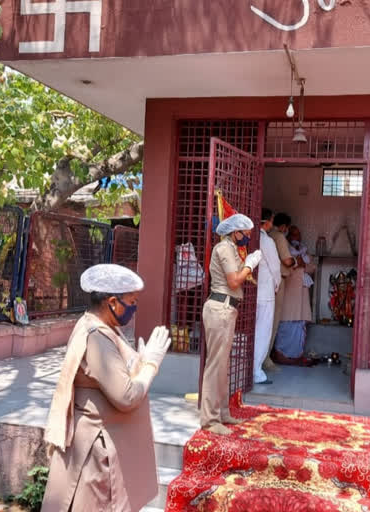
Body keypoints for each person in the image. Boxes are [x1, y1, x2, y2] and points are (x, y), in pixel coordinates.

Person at [42, 264, 172, 512]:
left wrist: (139, 361)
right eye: (131, 302)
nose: (133, 309)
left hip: (101, 437)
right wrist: (151, 365)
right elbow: (126, 395)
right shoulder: (97, 337)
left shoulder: (101, 326)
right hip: (96, 446)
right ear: (112, 301)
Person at [201, 213, 262, 435]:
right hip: (220, 308)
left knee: (222, 365)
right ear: (234, 232)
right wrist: (250, 265)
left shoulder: (231, 248)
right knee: (215, 366)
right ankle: (209, 420)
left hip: (226, 308)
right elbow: (234, 280)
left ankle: (222, 412)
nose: (247, 238)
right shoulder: (225, 248)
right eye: (245, 234)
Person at [272, 225, 316, 365]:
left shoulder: (304, 251)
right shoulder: (285, 250)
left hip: (302, 296)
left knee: (299, 325)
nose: (296, 238)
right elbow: (284, 265)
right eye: (294, 235)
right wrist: (297, 263)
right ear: (289, 237)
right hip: (288, 292)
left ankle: (296, 356)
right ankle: (281, 355)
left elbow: (313, 267)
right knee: (285, 323)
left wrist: (303, 263)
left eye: (298, 235)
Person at [265, 212, 301, 370]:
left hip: (266, 282)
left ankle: (263, 356)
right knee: (272, 321)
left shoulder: (266, 235)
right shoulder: (278, 236)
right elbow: (286, 261)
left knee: (264, 321)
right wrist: (296, 261)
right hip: (277, 281)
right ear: (284, 226)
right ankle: (265, 358)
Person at [254, 208, 281, 385]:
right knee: (262, 332)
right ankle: (256, 371)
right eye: (271, 221)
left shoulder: (250, 238)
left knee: (252, 331)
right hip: (265, 292)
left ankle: (247, 368)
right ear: (268, 222)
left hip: (251, 291)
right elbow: (276, 267)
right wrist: (277, 284)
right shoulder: (266, 241)